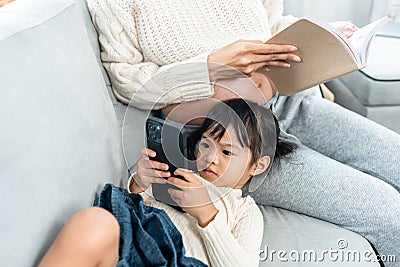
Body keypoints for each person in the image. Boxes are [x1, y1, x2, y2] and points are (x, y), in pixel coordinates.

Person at [88, 0, 400, 265]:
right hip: (219, 136)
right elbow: (128, 81)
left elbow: (273, 25)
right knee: (391, 216)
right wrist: (211, 66)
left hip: (286, 99)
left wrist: (324, 38)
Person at [38, 99, 297, 266]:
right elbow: (132, 209)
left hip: (177, 260)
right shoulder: (179, 173)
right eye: (205, 145)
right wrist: (139, 182)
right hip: (131, 246)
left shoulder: (244, 211)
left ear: (257, 165)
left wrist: (207, 215)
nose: (210, 159)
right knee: (94, 221)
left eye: (227, 152)